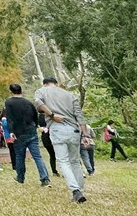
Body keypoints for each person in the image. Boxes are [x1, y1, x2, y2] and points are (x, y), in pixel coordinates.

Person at [34, 76, 93, 204]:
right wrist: (86, 135)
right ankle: (80, 190)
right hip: (74, 130)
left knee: (63, 162)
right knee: (75, 162)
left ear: (44, 84)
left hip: (57, 129)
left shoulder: (41, 91)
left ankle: (75, 190)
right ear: (57, 84)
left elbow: (39, 103)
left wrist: (52, 115)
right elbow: (79, 116)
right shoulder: (70, 95)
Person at [4, 83, 51, 187]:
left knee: (20, 157)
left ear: (11, 92)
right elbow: (35, 115)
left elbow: (10, 118)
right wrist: (35, 125)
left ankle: (20, 178)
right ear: (21, 91)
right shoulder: (28, 102)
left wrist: (11, 131)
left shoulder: (9, 103)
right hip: (31, 131)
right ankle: (44, 178)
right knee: (37, 156)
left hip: (18, 133)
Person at [38, 112, 59, 177]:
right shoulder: (52, 114)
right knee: (55, 155)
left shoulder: (40, 116)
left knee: (52, 155)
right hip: (52, 137)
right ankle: (55, 171)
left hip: (47, 137)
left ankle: (54, 171)